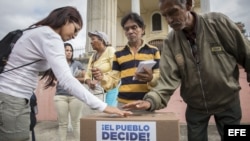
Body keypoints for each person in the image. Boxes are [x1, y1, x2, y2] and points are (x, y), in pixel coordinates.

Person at [122, 0, 250, 141]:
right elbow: (167, 80)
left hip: (228, 103)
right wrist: (150, 101)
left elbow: (246, 54)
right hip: (195, 108)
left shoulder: (218, 23)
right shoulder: (171, 41)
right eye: (165, 15)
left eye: (173, 12)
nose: (170, 20)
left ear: (189, 5)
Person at [0, 6, 132, 141]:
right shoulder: (50, 36)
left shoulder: (41, 32)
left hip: (13, 98)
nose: (74, 36)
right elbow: (67, 80)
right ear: (67, 20)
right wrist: (104, 107)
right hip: (12, 98)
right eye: (75, 29)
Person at [91, 12, 161, 109]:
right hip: (123, 104)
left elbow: (159, 76)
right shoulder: (118, 54)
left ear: (143, 29)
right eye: (127, 29)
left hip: (146, 103)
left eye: (134, 27)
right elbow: (114, 80)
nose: (130, 31)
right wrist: (102, 77)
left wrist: (151, 78)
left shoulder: (153, 51)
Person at [54, 43, 85, 141]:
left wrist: (72, 79)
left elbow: (84, 78)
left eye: (70, 51)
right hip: (60, 96)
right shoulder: (57, 64)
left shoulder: (77, 64)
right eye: (66, 50)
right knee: (62, 124)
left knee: (76, 123)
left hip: (75, 96)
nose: (69, 52)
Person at [85, 31, 119, 107]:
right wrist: (89, 82)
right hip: (98, 91)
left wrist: (100, 78)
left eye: (93, 39)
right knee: (100, 114)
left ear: (102, 40)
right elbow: (87, 74)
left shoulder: (110, 50)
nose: (91, 42)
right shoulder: (93, 56)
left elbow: (116, 70)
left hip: (111, 88)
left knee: (109, 114)